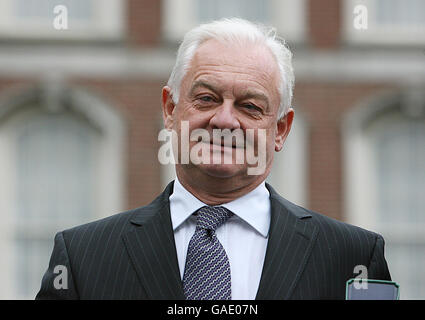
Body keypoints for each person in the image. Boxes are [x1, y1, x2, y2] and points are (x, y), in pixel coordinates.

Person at [36, 18, 391, 300]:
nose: (224, 120)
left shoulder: (355, 258)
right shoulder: (82, 259)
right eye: (206, 99)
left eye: (250, 106)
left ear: (280, 129)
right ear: (170, 109)